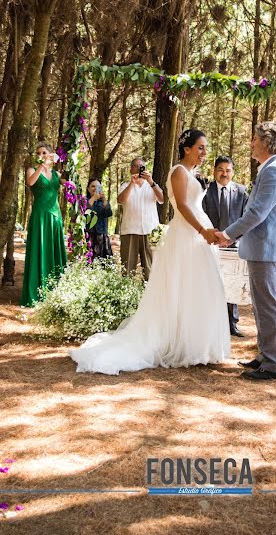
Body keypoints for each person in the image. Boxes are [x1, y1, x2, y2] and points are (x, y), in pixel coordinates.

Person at [70, 129, 230, 374]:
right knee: (181, 286)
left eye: (205, 147)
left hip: (198, 234)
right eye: (200, 147)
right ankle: (179, 343)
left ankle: (197, 344)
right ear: (186, 148)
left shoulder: (193, 173)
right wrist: (202, 230)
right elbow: (183, 207)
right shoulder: (178, 171)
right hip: (186, 234)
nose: (204, 152)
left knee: (199, 287)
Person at [216, 122, 276, 382]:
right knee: (260, 306)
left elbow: (257, 213)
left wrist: (227, 234)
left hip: (266, 249)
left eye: (255, 139)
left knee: (268, 306)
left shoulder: (274, 172)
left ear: (267, 142)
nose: (251, 143)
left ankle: (273, 364)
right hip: (259, 248)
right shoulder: (269, 169)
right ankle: (264, 355)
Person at [202, 155, 248, 336]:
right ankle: (211, 323)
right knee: (211, 283)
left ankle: (232, 323)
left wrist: (233, 239)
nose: (224, 174)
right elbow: (202, 216)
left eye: (228, 170)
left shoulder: (242, 192)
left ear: (233, 172)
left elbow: (246, 219)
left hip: (234, 246)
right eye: (220, 170)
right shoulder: (206, 191)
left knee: (232, 283)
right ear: (214, 171)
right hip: (210, 245)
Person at [21, 142, 67, 307]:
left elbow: (68, 183)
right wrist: (41, 166)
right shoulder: (32, 170)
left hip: (55, 216)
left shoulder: (56, 173)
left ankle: (56, 291)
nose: (40, 155)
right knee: (39, 250)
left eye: (44, 152)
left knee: (54, 250)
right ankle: (36, 291)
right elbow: (31, 183)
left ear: (50, 155)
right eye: (38, 152)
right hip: (40, 216)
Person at [117, 158, 164, 280]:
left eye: (141, 166)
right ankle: (126, 296)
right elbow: (120, 200)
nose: (138, 169)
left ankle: (151, 296)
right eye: (136, 166)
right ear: (130, 169)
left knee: (150, 269)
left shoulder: (151, 186)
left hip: (150, 231)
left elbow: (162, 199)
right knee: (127, 268)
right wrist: (132, 183)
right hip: (129, 230)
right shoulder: (125, 186)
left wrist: (151, 181)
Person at [86, 178, 113, 259]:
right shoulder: (85, 200)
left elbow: (108, 213)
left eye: (98, 187)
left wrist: (104, 199)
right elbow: (85, 213)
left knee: (102, 261)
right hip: (89, 234)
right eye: (92, 186)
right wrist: (93, 198)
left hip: (101, 235)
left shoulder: (103, 202)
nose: (95, 188)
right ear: (88, 189)